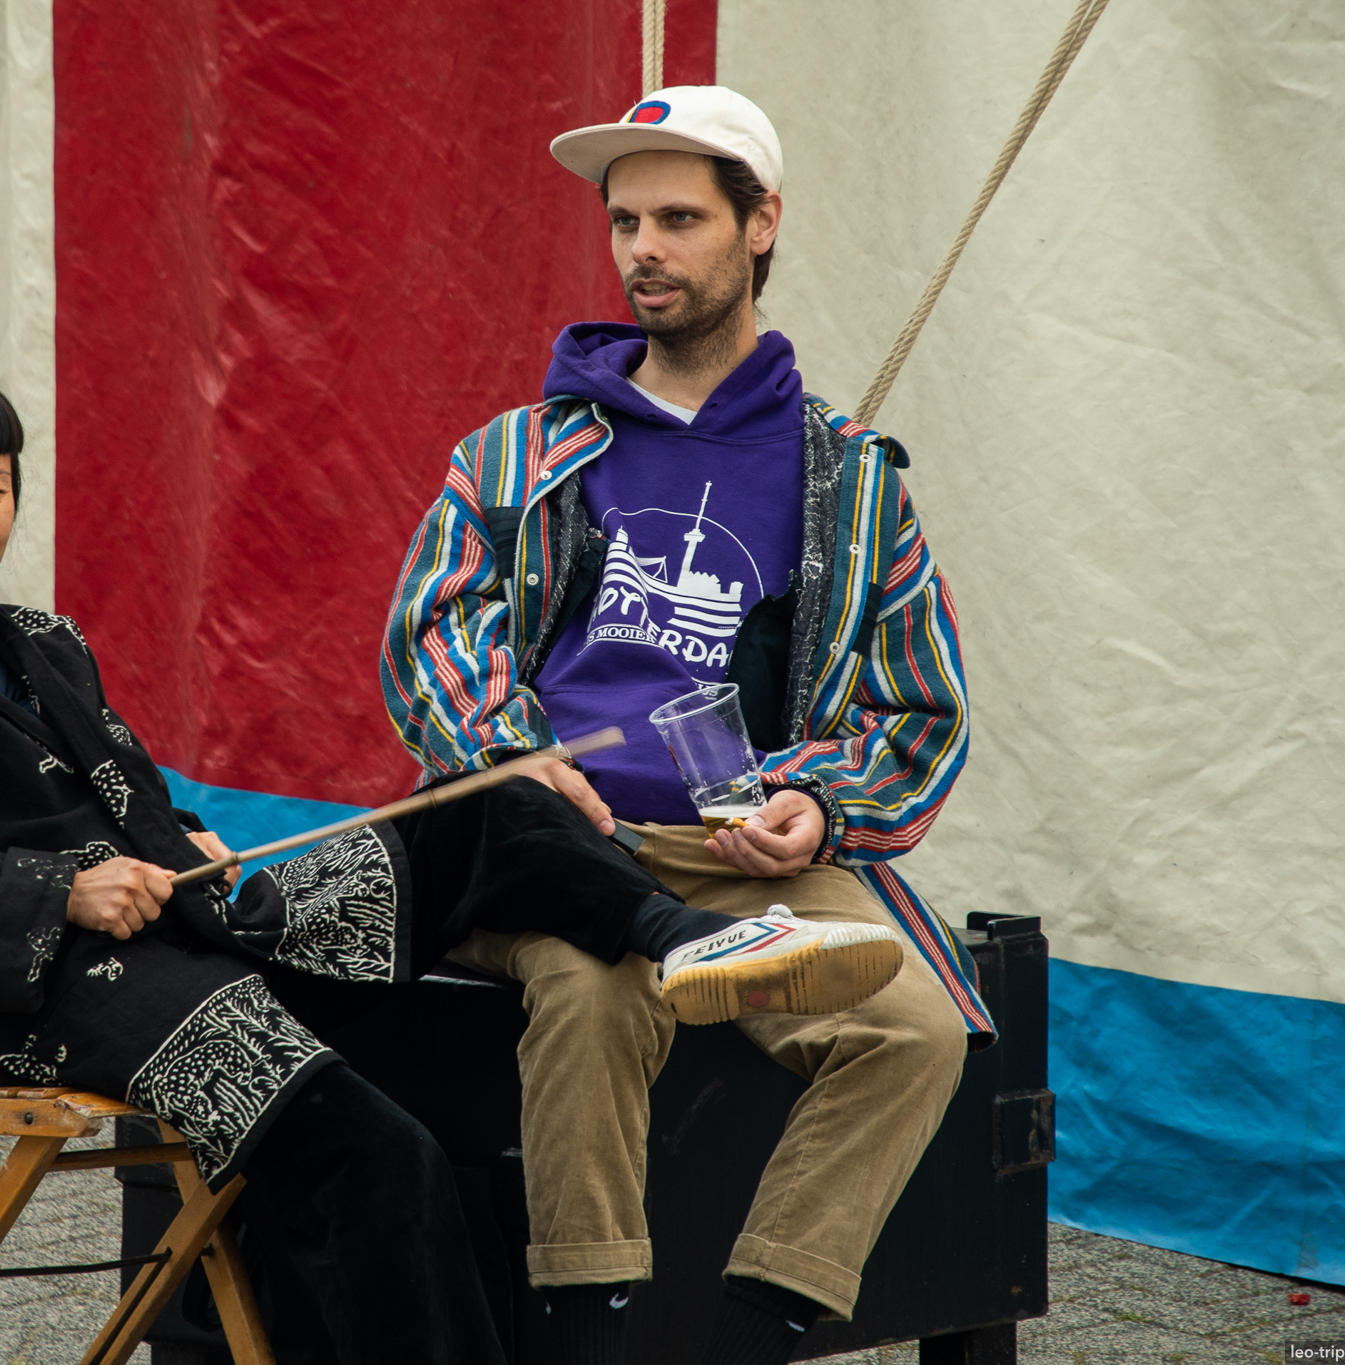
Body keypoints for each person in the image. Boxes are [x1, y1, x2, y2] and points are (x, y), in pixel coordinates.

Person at [0, 285, 904, 1365]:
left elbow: (132, 804)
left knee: (496, 798)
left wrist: (176, 844)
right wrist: (58, 892)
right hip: (49, 988)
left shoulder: (40, 644)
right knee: (376, 1155)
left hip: (183, 918)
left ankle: (685, 934)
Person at [380, 86, 991, 1365]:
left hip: (750, 859)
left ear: (759, 226)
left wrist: (817, 803)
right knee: (591, 992)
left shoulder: (851, 476)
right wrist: (514, 755)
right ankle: (586, 1338)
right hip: (559, 848)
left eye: (677, 219)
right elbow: (427, 641)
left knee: (919, 1029)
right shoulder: (515, 452)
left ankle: (748, 1334)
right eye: (622, 222)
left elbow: (915, 710)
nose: (640, 249)